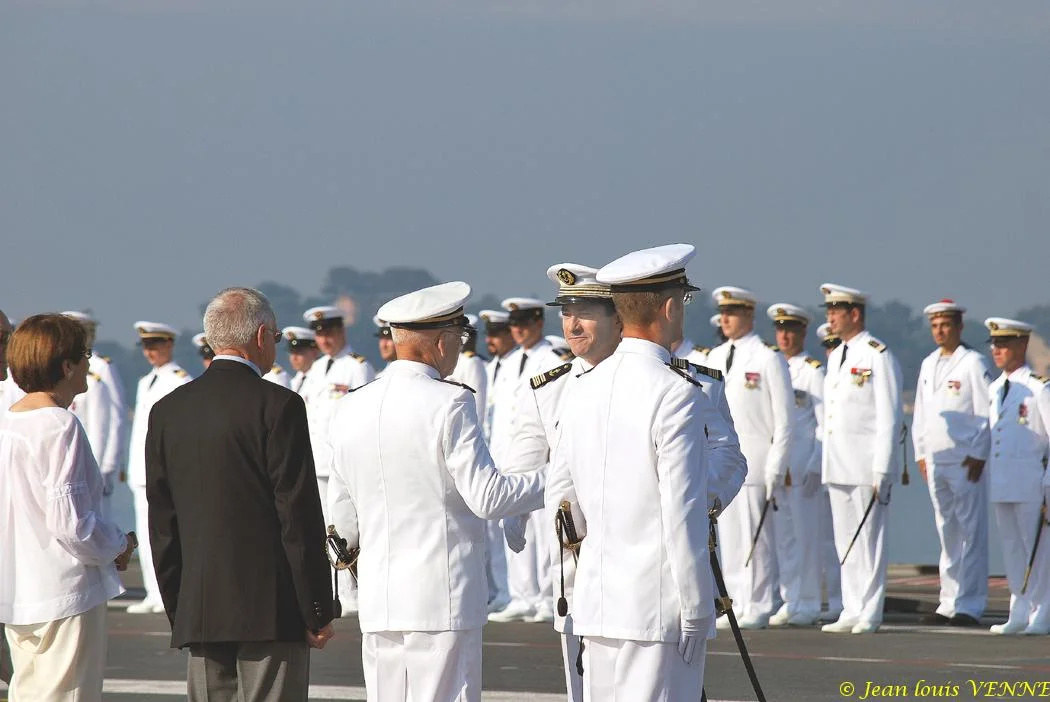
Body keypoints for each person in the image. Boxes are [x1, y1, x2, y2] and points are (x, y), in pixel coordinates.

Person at [326, 281, 545, 702]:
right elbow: (489, 498)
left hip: (380, 602)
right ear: (442, 342)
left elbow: (341, 517)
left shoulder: (351, 405)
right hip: (441, 598)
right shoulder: (449, 403)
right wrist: (559, 476)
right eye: (457, 339)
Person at [146, 288, 335, 701]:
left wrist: (181, 611)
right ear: (262, 336)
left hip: (201, 611)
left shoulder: (168, 410)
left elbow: (163, 526)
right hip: (271, 611)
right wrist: (317, 608)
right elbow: (297, 515)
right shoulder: (278, 405)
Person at [548, 243, 715, 700]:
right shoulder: (676, 393)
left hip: (599, 604)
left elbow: (562, 500)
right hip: (658, 609)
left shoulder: (581, 388)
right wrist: (699, 608)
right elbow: (682, 513)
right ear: (668, 306)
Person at [0, 314, 135, 701]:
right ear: (66, 366)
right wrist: (118, 546)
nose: (89, 365)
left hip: (20, 592)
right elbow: (71, 525)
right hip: (63, 593)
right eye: (84, 355)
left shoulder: (9, 422)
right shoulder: (59, 425)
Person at [705, 286, 794, 630]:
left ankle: (758, 602)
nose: (725, 319)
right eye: (723, 312)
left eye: (732, 312)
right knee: (729, 536)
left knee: (757, 538)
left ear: (748, 316)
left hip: (757, 460)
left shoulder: (768, 357)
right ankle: (734, 600)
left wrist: (777, 463)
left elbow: (785, 419)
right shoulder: (714, 357)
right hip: (722, 462)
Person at [819, 283, 903, 635]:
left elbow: (889, 415)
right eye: (829, 311)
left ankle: (870, 608)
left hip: (867, 464)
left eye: (836, 311)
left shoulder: (876, 354)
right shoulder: (838, 354)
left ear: (855, 313)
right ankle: (852, 607)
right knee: (846, 539)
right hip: (838, 461)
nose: (831, 317)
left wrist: (883, 466)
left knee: (869, 539)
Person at [488, 297, 571, 623]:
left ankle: (547, 596)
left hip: (542, 458)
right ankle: (521, 594)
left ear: (538, 323)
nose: (518, 331)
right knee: (513, 529)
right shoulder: (508, 364)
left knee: (542, 529)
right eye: (514, 326)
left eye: (524, 324)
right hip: (509, 454)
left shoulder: (551, 358)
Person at [912, 300, 992, 627]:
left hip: (965, 458)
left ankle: (970, 604)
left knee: (970, 531)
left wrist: (980, 453)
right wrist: (920, 452)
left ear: (959, 326)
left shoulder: (973, 363)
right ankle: (948, 600)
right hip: (936, 458)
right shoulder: (928, 364)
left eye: (946, 324)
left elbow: (989, 412)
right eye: (935, 325)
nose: (940, 330)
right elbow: (921, 412)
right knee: (947, 530)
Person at [300, 305, 376, 614]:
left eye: (330, 333)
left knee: (352, 527)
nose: (325, 340)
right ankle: (343, 591)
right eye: (320, 335)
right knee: (327, 530)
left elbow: (365, 415)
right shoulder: (317, 370)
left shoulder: (357, 367)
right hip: (318, 460)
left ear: (341, 332)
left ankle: (361, 589)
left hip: (345, 460)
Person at [983, 317, 1050, 635]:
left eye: (1004, 344)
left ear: (1022, 345)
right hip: (1003, 480)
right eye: (994, 344)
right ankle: (1019, 609)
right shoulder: (995, 389)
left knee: (1037, 549)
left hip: (1030, 480)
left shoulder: (1039, 387)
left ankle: (1043, 610)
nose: (997, 350)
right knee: (1011, 548)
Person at [765, 303, 826, 627]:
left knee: (806, 537)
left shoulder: (812, 370)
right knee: (784, 538)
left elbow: (823, 423)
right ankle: (790, 600)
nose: (785, 336)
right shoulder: (772, 366)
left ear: (802, 333)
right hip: (779, 468)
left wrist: (816, 463)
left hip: (803, 468)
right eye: (780, 329)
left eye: (791, 330)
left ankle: (810, 601)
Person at [126, 321, 191, 614]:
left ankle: (171, 591)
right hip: (142, 469)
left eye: (156, 345)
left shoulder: (178, 379)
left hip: (166, 469)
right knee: (148, 533)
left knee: (170, 534)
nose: (151, 352)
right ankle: (154, 592)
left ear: (169, 345)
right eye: (147, 347)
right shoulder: (145, 382)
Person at [62, 311, 128, 521]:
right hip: (68, 460)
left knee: (97, 521)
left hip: (94, 459)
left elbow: (115, 418)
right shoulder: (60, 366)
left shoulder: (100, 367)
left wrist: (108, 464)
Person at [478, 309, 516, 613]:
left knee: (525, 532)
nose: (491, 340)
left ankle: (521, 592)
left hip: (516, 457)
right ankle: (501, 589)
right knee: (494, 531)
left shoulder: (522, 363)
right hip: (494, 455)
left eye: (497, 334)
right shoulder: (492, 367)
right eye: (488, 334)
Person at [448, 314, 488, 414]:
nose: (469, 340)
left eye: (471, 336)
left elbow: (478, 405)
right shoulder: (451, 359)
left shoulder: (472, 362)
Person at [281, 326, 319, 395]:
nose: (294, 358)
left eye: (299, 352)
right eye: (291, 352)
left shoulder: (321, 378)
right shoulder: (295, 381)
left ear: (314, 352)